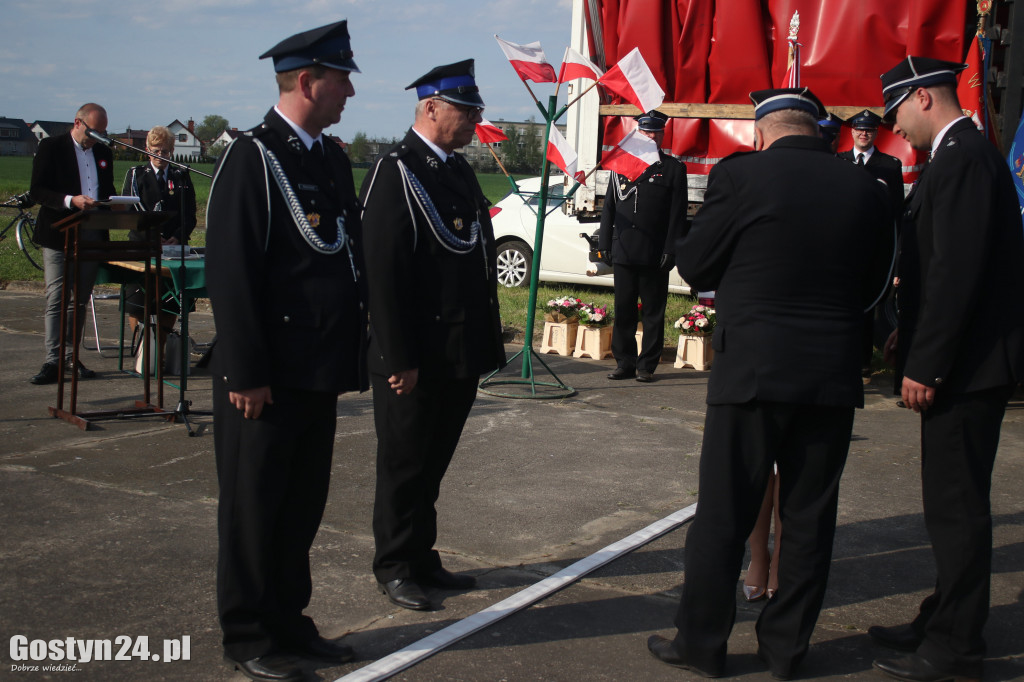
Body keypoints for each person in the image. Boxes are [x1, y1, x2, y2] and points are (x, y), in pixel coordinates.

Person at [647, 87, 893, 679]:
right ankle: (785, 651)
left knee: (725, 514)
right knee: (809, 520)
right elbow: (877, 284)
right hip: (830, 373)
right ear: (818, 131)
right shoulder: (866, 187)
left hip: (752, 371)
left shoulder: (741, 177)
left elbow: (696, 263)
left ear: (761, 133)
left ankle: (701, 645)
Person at [204, 20, 367, 682]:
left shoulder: (326, 159)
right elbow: (232, 272)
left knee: (300, 507)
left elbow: (342, 259)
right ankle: (247, 634)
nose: (351, 92)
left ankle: (289, 623)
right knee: (254, 510)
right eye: (341, 79)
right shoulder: (252, 158)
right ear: (308, 81)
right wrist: (245, 370)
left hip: (315, 370)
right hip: (264, 376)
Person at [869, 56, 1024, 682]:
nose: (896, 128)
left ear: (922, 99)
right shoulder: (961, 154)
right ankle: (942, 617)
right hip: (966, 361)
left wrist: (927, 365)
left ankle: (957, 647)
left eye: (898, 112)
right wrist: (911, 331)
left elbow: (957, 275)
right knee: (950, 506)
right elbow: (943, 269)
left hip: (966, 369)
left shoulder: (961, 158)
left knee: (957, 509)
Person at [360, 59, 506, 611]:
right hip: (414, 354)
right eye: (466, 110)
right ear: (430, 108)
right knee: (405, 463)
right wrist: (399, 356)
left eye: (476, 110)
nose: (475, 120)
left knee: (434, 461)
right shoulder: (395, 171)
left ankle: (422, 555)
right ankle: (395, 564)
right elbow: (384, 272)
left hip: (458, 349)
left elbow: (475, 260)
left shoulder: (457, 171)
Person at [29, 103, 115, 385]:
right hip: (59, 232)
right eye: (94, 131)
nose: (98, 138)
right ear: (77, 123)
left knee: (78, 300)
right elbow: (38, 190)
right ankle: (52, 360)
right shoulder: (52, 147)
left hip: (92, 232)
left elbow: (108, 189)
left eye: (103, 132)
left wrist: (115, 204)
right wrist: (71, 200)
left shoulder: (103, 152)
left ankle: (70, 356)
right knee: (57, 297)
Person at [598, 110, 687, 382]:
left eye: (654, 132)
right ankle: (624, 362)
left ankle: (646, 365)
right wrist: (604, 244)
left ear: (661, 136)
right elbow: (609, 209)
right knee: (623, 309)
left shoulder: (672, 169)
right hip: (624, 249)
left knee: (652, 311)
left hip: (654, 252)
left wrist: (671, 249)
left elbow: (677, 214)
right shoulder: (621, 166)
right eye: (645, 132)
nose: (649, 136)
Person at [839, 108, 905, 376]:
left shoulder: (890, 165)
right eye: (859, 129)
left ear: (876, 133)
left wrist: (897, 262)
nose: (864, 133)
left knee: (868, 305)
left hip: (874, 246)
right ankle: (842, 356)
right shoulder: (839, 161)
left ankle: (864, 361)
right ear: (852, 132)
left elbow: (897, 214)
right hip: (844, 246)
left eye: (869, 130)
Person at [121, 125, 198, 347]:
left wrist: (178, 235)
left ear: (171, 151)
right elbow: (131, 211)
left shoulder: (181, 175)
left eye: (165, 151)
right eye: (156, 150)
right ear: (147, 149)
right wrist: (153, 235)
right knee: (138, 301)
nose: (160, 155)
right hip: (143, 245)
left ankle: (161, 348)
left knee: (170, 300)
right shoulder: (136, 174)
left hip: (173, 248)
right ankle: (143, 350)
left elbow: (189, 213)